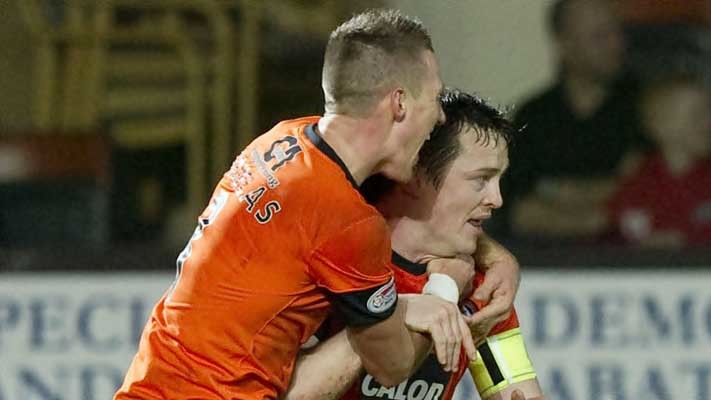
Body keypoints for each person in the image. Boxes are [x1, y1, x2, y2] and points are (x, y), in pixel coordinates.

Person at [115, 10, 520, 400]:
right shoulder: (345, 219)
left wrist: (492, 254)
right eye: (434, 98)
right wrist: (438, 291)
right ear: (399, 103)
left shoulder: (280, 141)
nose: (440, 118)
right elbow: (392, 365)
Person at [283, 90, 545, 400]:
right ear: (417, 174)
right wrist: (398, 313)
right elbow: (285, 393)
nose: (496, 199)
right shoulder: (332, 258)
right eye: (481, 179)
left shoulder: (484, 289)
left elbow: (517, 388)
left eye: (499, 180)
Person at [501, 0, 649, 241]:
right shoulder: (534, 116)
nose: (617, 43)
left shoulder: (645, 109)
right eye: (600, 36)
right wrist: (602, 202)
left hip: (627, 268)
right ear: (565, 44)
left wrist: (560, 193)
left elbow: (651, 195)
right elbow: (520, 212)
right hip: (550, 268)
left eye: (617, 32)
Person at [607, 75, 711, 247]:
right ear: (657, 125)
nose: (710, 123)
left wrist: (686, 242)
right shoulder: (635, 187)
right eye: (696, 115)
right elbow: (612, 238)